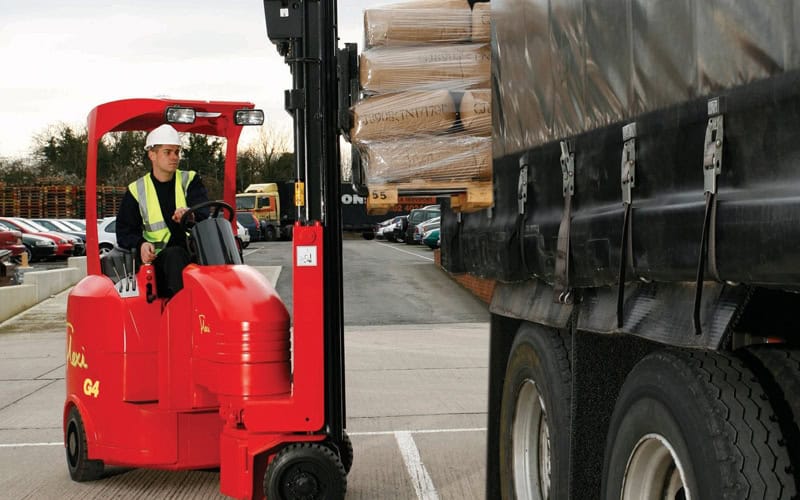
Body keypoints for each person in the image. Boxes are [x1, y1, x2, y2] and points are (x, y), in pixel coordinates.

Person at [116, 124, 208, 298]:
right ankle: (182, 314)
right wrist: (141, 244)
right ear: (152, 155)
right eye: (168, 152)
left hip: (196, 254)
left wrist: (190, 214)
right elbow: (124, 231)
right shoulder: (137, 190)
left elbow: (204, 211)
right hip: (160, 263)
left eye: (177, 152)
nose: (175, 157)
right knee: (175, 255)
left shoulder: (191, 180)